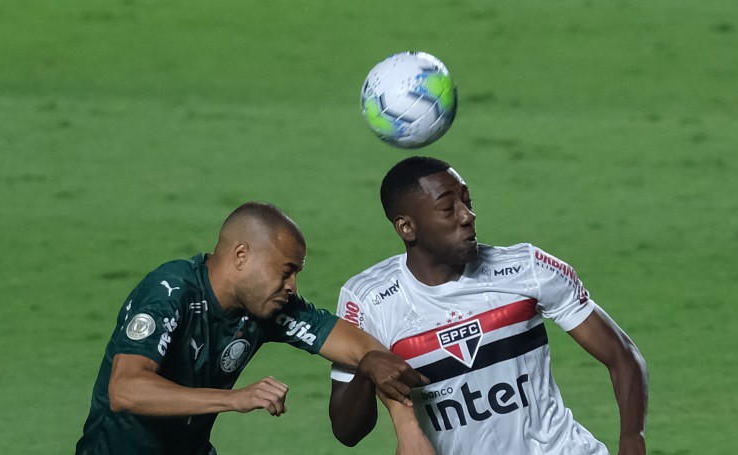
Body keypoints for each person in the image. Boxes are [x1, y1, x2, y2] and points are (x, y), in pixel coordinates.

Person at [329, 156, 648, 454]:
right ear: (407, 227)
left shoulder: (527, 269)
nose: (468, 216)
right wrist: (367, 367)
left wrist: (633, 439)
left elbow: (622, 355)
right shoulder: (369, 300)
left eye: (466, 201)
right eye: (448, 208)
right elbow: (347, 432)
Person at [77, 201, 427, 454]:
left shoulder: (266, 308)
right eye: (286, 270)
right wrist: (236, 398)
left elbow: (362, 349)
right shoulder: (172, 290)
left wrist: (407, 426)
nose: (292, 286)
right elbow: (125, 390)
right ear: (241, 256)